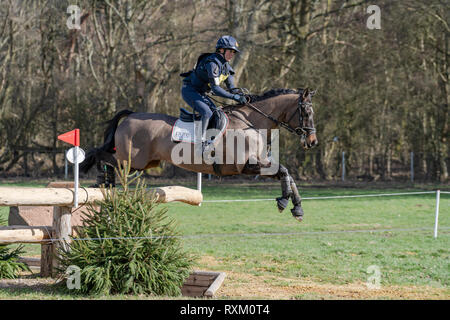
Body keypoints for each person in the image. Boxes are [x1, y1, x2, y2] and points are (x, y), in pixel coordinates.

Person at [180, 35, 247, 150]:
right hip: (190, 91)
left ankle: (211, 140)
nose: (232, 54)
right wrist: (234, 97)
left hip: (201, 93)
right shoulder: (212, 63)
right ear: (221, 50)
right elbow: (215, 89)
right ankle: (200, 144)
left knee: (217, 113)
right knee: (207, 113)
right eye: (230, 51)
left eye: (234, 52)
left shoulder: (226, 67)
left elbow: (232, 87)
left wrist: (242, 95)